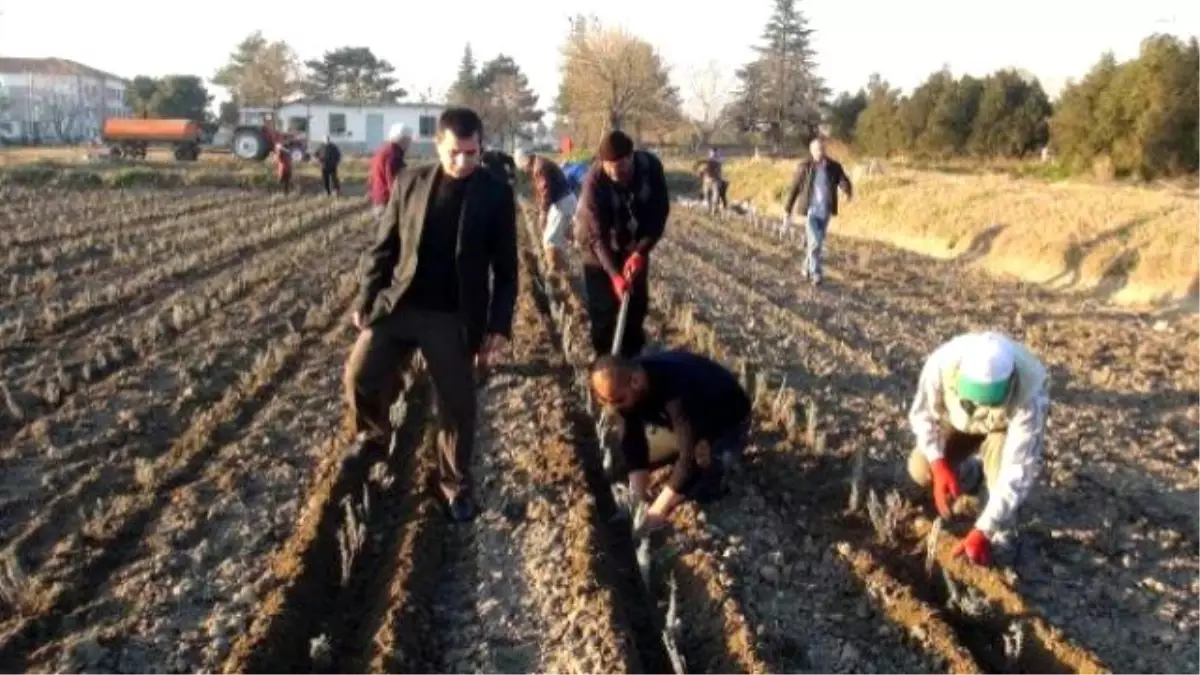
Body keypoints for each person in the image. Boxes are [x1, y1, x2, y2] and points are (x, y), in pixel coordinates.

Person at [344, 107, 518, 523]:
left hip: (453, 314)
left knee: (457, 404)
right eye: (456, 152)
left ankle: (454, 484)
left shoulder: (495, 193)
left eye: (472, 153)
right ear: (438, 144)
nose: (464, 162)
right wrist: (366, 297)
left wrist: (498, 324)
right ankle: (372, 438)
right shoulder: (410, 181)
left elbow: (507, 269)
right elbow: (383, 247)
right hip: (401, 304)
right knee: (361, 374)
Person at [907, 331, 1050, 567]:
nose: (980, 405)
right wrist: (938, 463)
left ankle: (1002, 526)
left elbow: (1019, 471)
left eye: (988, 400)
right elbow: (922, 416)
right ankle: (973, 477)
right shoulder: (943, 363)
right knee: (921, 469)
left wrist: (984, 530)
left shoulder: (1030, 395)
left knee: (1002, 480)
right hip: (960, 421)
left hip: (1002, 430)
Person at [589, 350, 751, 536]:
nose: (613, 407)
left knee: (702, 483)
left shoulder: (677, 393)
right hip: (679, 422)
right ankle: (685, 441)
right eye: (607, 401)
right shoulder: (626, 386)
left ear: (636, 381)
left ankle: (722, 454)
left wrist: (657, 511)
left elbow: (690, 460)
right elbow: (632, 442)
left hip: (725, 420)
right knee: (633, 460)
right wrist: (638, 500)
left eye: (618, 400)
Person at [573, 130, 669, 358]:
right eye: (613, 172)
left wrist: (640, 252)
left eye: (624, 171)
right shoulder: (593, 183)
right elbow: (596, 236)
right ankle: (605, 363)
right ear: (604, 165)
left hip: (633, 241)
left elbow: (659, 214)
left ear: (631, 157)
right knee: (605, 309)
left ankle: (633, 359)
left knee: (636, 304)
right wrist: (615, 275)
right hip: (597, 248)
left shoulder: (650, 168)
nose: (620, 176)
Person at [782, 137, 853, 286]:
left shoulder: (833, 166)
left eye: (821, 149)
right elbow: (794, 188)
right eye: (816, 150)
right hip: (811, 210)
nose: (819, 152)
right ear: (811, 151)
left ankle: (805, 266)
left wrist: (847, 190)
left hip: (825, 210)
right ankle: (816, 273)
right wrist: (788, 209)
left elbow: (842, 179)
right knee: (815, 243)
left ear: (825, 150)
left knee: (816, 244)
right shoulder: (805, 167)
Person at [514, 147, 576, 272]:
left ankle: (557, 272)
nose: (524, 171)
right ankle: (566, 266)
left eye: (522, 167)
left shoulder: (539, 168)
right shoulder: (539, 163)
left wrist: (543, 214)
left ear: (524, 161)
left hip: (562, 203)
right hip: (564, 201)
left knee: (550, 241)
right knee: (563, 237)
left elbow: (545, 191)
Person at [368, 123, 412, 217]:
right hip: (387, 204)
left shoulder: (381, 151)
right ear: (403, 140)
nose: (410, 144)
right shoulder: (394, 156)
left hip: (378, 200)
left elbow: (372, 178)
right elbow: (395, 184)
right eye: (409, 140)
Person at [694, 148, 728, 217]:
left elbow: (722, 161)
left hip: (715, 181)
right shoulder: (707, 163)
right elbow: (700, 171)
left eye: (715, 155)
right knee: (708, 195)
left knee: (716, 195)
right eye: (713, 154)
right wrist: (700, 172)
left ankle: (714, 210)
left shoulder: (716, 162)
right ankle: (711, 209)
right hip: (708, 181)